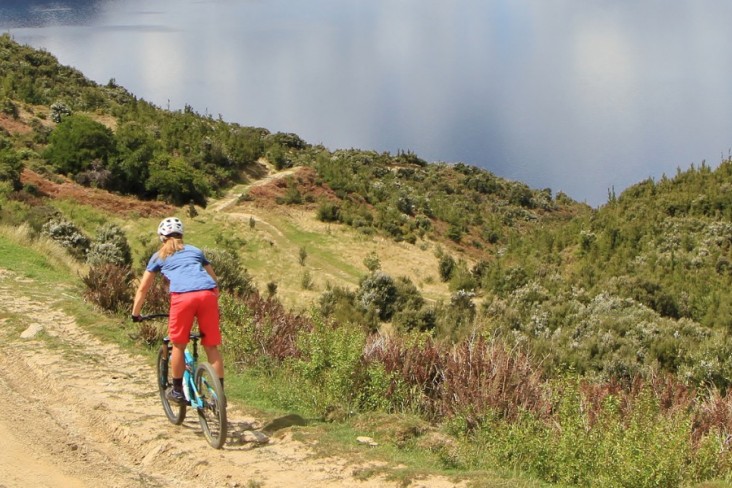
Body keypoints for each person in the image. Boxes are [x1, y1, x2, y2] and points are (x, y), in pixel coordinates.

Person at [131, 217, 224, 405]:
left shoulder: (159, 256)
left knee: (179, 345)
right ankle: (220, 396)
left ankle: (177, 391)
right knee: (211, 346)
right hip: (207, 295)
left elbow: (143, 288)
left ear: (162, 237)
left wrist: (135, 313)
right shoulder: (196, 251)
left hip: (183, 298)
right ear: (181, 235)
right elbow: (214, 281)